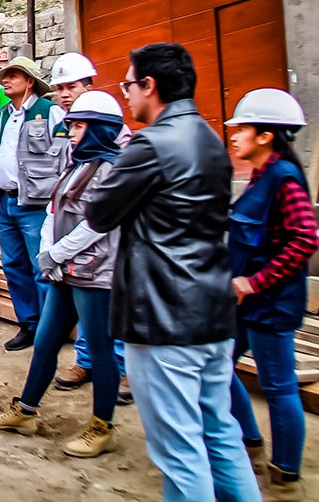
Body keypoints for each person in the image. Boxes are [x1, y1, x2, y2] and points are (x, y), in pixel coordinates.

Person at [87, 43, 260, 502]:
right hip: (212, 309)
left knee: (179, 450)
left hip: (163, 315)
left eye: (128, 84)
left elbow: (101, 212)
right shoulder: (208, 138)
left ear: (151, 86)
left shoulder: (152, 144)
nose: (125, 94)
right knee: (220, 435)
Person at [0, 91, 126, 459]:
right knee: (46, 341)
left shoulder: (111, 170)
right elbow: (53, 208)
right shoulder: (77, 163)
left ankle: (102, 427)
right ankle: (26, 411)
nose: (72, 133)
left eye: (79, 126)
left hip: (94, 274)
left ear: (100, 130)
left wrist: (54, 253)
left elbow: (97, 224)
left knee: (100, 350)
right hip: (65, 271)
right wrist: (49, 249)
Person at [225, 89, 317, 500]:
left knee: (278, 386)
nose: (234, 135)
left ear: (266, 135)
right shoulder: (262, 176)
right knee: (218, 365)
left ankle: (285, 474)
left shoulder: (285, 179)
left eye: (242, 128)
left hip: (270, 304)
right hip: (245, 302)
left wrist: (255, 282)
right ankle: (248, 436)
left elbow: (304, 240)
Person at [48, 52, 130, 403]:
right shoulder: (68, 128)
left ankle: (122, 371)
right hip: (70, 234)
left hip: (106, 243)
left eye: (73, 87)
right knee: (83, 307)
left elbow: (104, 213)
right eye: (61, 88)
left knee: (108, 308)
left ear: (88, 86)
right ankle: (85, 362)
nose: (66, 94)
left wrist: (58, 249)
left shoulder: (116, 135)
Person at [0, 56, 64, 351]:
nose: (5, 80)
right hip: (8, 201)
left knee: (40, 267)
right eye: (5, 76)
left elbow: (61, 156)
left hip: (35, 203)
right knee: (13, 265)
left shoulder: (50, 112)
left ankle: (49, 330)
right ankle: (29, 323)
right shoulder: (6, 113)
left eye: (13, 75)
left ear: (30, 81)